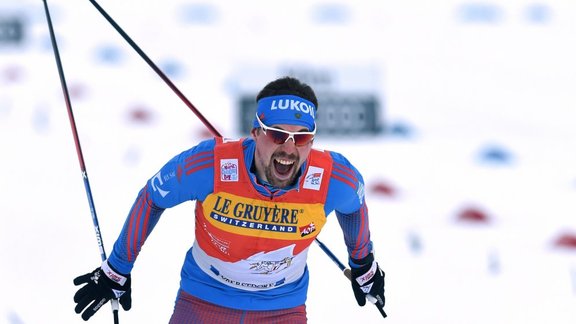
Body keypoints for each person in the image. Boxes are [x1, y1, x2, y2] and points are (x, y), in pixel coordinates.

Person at [73, 76, 386, 323]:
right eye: (277, 134)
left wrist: (363, 264)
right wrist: (118, 267)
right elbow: (153, 197)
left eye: (301, 137)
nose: (289, 148)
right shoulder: (211, 166)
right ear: (255, 132)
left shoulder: (333, 177)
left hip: (282, 310)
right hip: (204, 301)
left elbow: (354, 208)